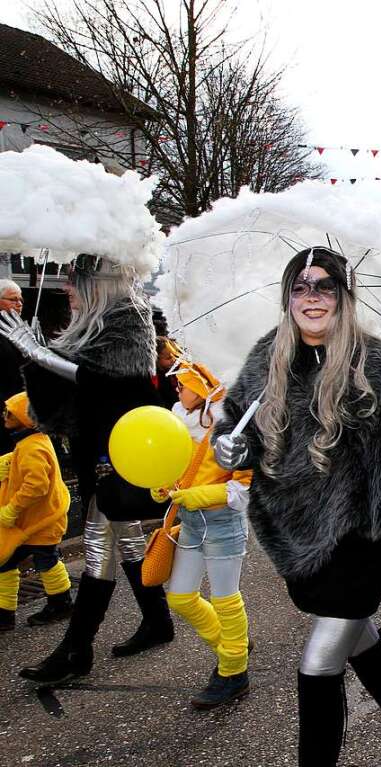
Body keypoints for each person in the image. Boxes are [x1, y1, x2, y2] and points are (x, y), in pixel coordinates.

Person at [213, 246, 381, 767]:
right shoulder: (270, 359)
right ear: (288, 298)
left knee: (318, 663)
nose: (312, 297)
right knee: (360, 640)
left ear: (344, 296)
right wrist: (232, 445)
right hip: (299, 535)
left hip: (362, 542)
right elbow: (239, 424)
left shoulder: (374, 363)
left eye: (325, 285)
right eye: (301, 286)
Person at [1, 255, 173, 685]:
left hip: (120, 450)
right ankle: (157, 621)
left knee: (99, 544)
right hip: (96, 446)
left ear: (95, 284)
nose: (67, 291)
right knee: (127, 539)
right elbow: (69, 387)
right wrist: (39, 356)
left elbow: (108, 380)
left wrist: (39, 352)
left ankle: (76, 647)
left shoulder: (128, 316)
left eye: (74, 283)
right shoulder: (94, 320)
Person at [151, 358, 253, 709]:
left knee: (226, 600)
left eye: (183, 383)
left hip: (224, 524)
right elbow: (176, 469)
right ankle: (232, 643)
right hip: (191, 523)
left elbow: (244, 492)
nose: (176, 388)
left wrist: (201, 495)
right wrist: (163, 485)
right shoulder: (179, 423)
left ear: (204, 386)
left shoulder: (235, 428)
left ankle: (233, 671)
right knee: (180, 597)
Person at [0, 392, 73, 631]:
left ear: (25, 418)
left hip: (39, 521)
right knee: (19, 561)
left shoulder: (31, 446)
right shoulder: (31, 442)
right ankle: (9, 610)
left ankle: (59, 602)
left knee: (44, 561)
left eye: (10, 412)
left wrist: (12, 509)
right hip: (37, 520)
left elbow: (37, 485)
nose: (5, 415)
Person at [0, 279, 25, 455]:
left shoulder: (19, 328)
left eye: (21, 299)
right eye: (13, 299)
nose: (19, 304)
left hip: (19, 409)